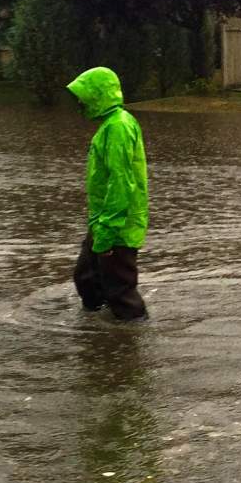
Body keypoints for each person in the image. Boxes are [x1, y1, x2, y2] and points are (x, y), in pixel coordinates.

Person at [66, 67, 149, 321]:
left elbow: (122, 182)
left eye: (83, 95)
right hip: (103, 220)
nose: (78, 102)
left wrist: (108, 232)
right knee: (86, 278)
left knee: (120, 291)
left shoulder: (118, 128)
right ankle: (99, 337)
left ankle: (132, 337)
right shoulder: (109, 126)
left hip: (117, 225)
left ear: (97, 95)